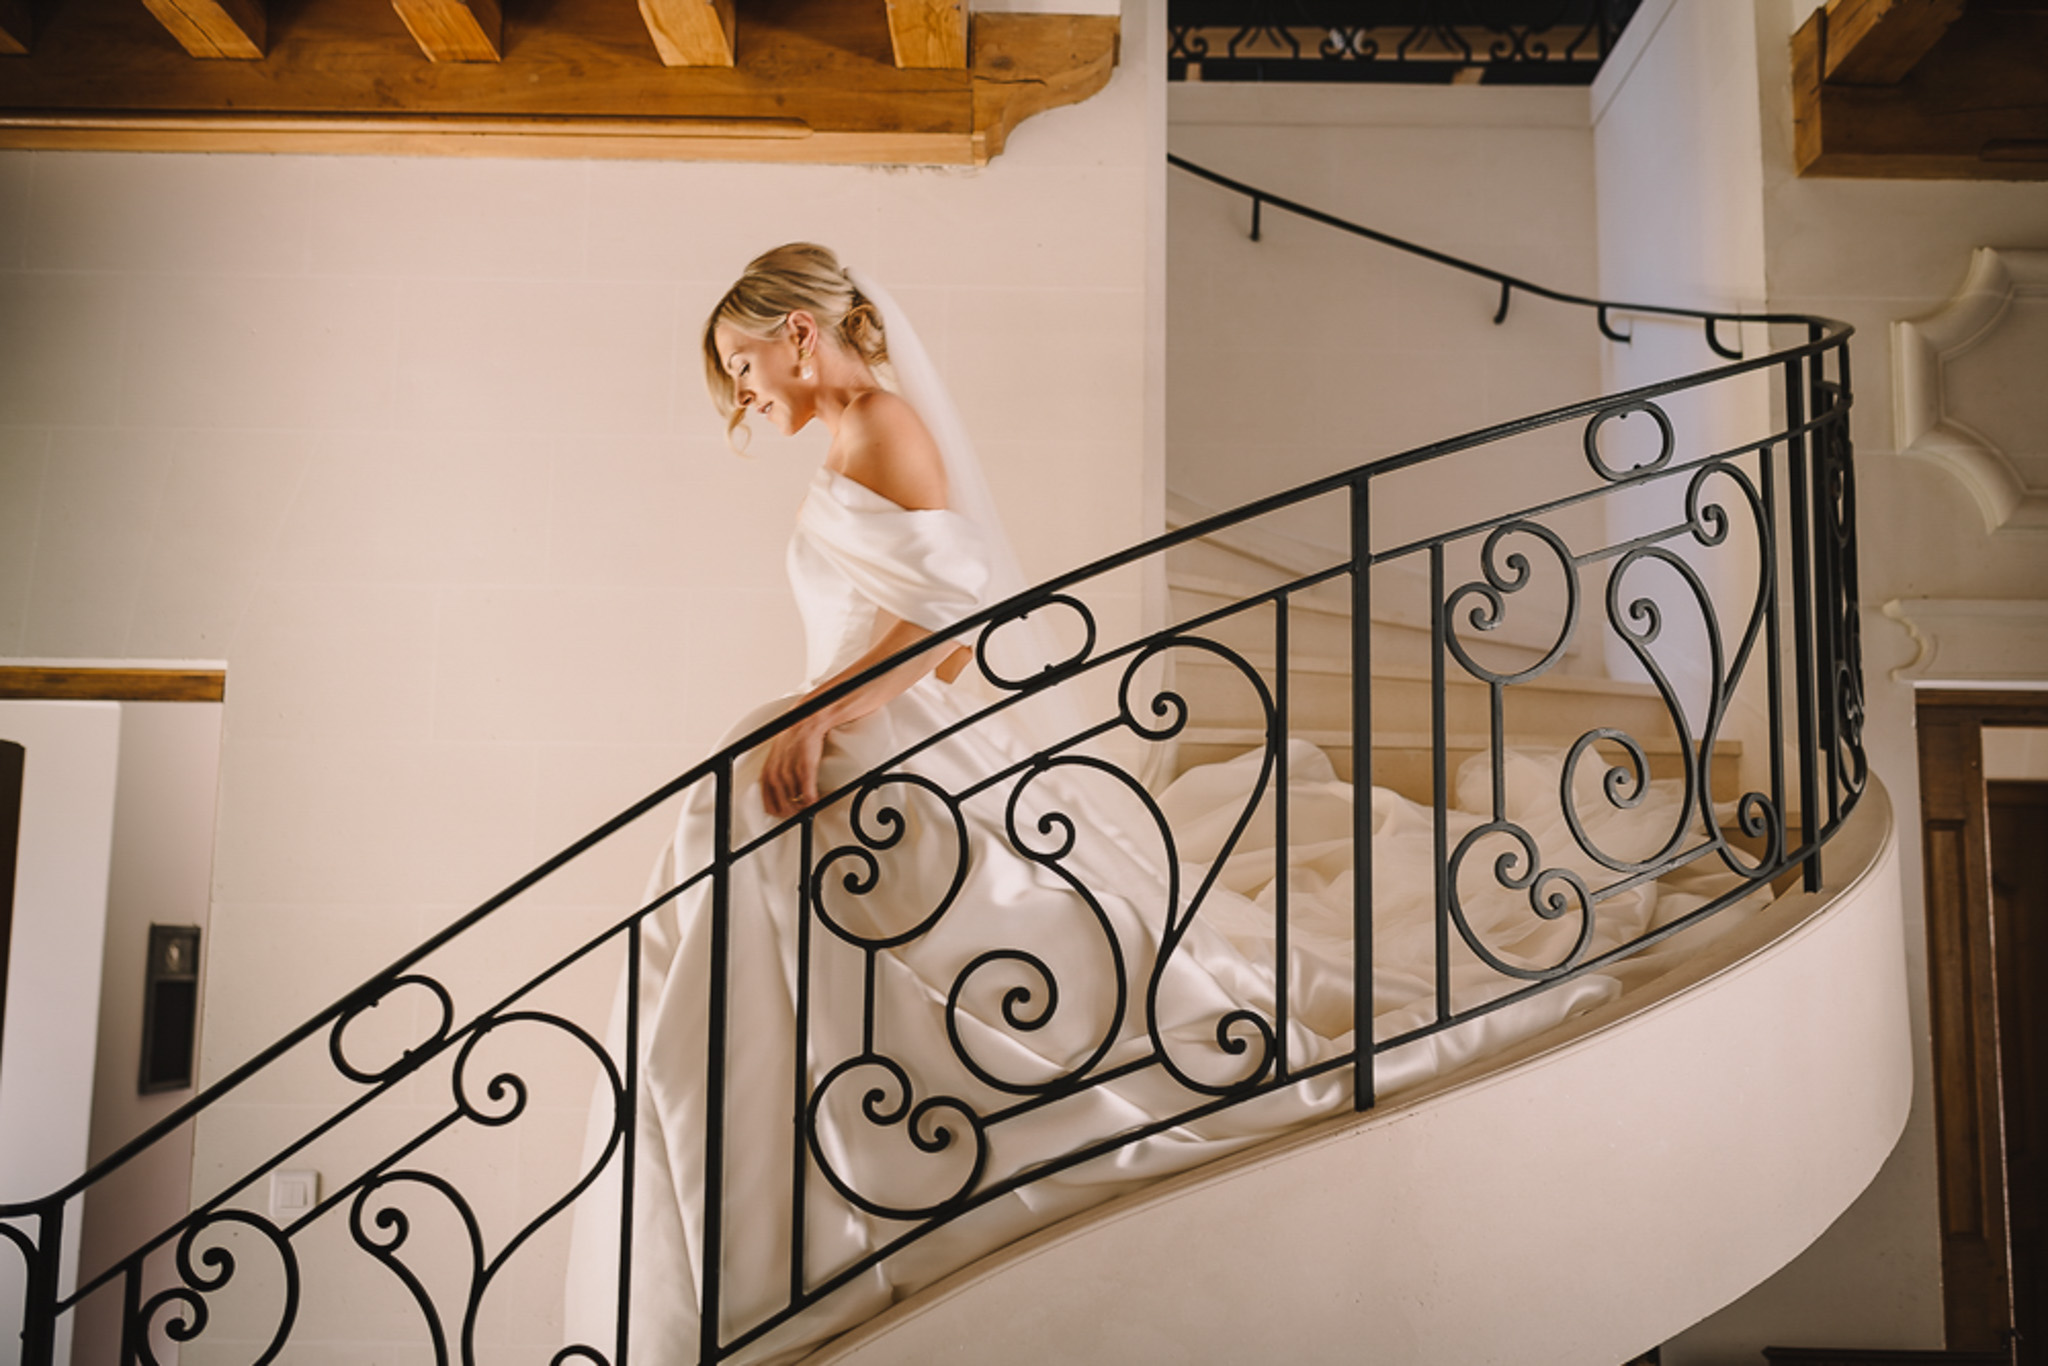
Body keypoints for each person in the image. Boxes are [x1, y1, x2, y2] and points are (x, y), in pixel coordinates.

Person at [562, 244, 1761, 1366]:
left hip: (870, 733)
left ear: (799, 330)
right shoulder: (847, 432)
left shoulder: (877, 418)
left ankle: (822, 1197)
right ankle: (802, 1195)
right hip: (850, 725)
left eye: (741, 361)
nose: (739, 390)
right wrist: (815, 707)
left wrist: (822, 713)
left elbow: (947, 621)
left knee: (849, 905)